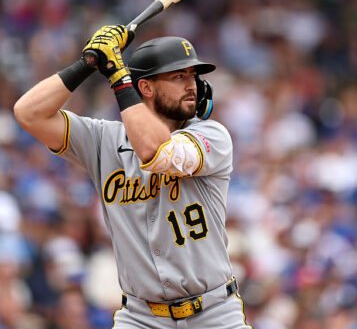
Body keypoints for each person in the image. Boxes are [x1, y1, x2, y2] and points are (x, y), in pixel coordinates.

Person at [14, 25, 252, 328]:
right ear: (147, 88)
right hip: (141, 317)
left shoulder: (211, 135)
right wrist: (88, 63)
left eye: (192, 75)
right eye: (178, 77)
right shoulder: (104, 140)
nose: (192, 84)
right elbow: (28, 113)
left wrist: (118, 76)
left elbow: (155, 151)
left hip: (214, 313)